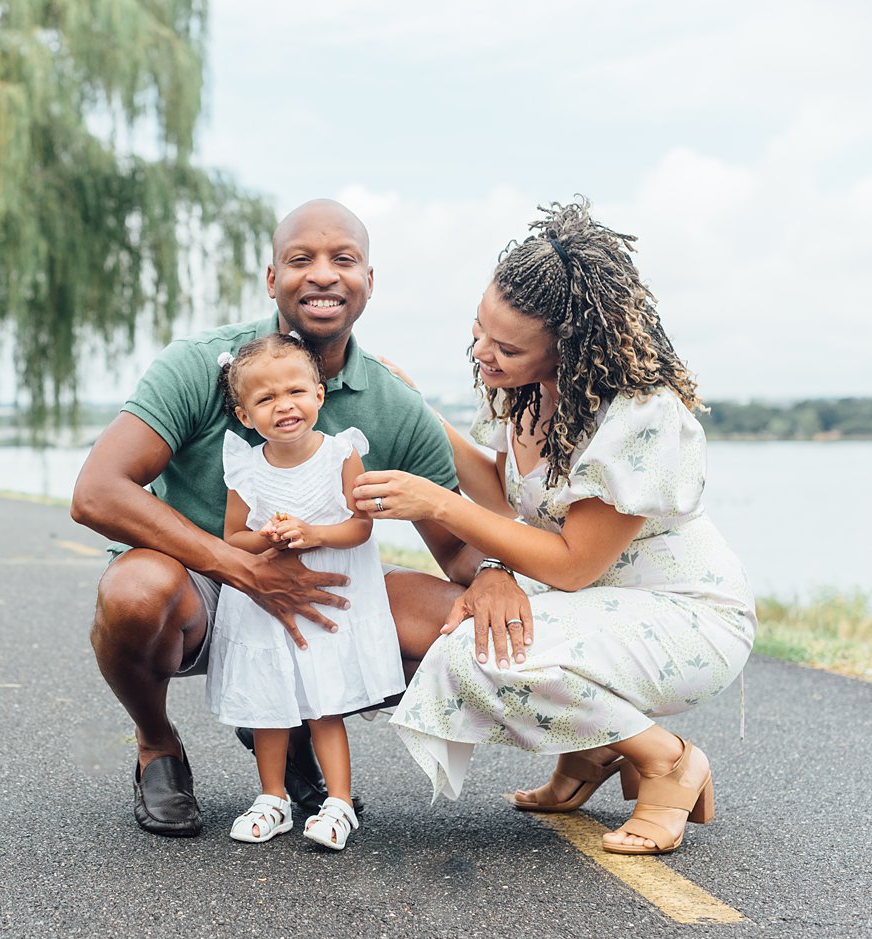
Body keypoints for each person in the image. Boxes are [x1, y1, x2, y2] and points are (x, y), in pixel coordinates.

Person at [70, 199, 528, 838]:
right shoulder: (204, 364)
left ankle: (295, 719)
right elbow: (97, 492)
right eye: (300, 260)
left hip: (326, 594)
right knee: (133, 593)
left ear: (369, 280)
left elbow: (455, 549)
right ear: (271, 279)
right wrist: (242, 569)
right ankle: (158, 745)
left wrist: (494, 569)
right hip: (201, 587)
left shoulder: (392, 405)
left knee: (464, 629)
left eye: (344, 260)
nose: (322, 275)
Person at [354, 198, 755, 856]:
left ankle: (666, 761)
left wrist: (438, 504)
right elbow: (512, 491)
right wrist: (419, 413)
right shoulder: (531, 389)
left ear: (570, 346)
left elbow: (572, 563)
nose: (483, 353)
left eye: (507, 346)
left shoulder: (638, 416)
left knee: (476, 651)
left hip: (686, 614)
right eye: (479, 330)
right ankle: (592, 750)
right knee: (404, 606)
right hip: (598, 602)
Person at [208, 333, 402, 849]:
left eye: (295, 391)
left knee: (324, 705)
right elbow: (234, 538)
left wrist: (313, 534)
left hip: (322, 603)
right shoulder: (245, 466)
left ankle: (338, 801)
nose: (283, 406)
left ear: (319, 395)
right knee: (268, 706)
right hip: (266, 605)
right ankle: (273, 798)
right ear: (245, 415)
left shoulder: (342, 453)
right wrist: (267, 537)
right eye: (265, 399)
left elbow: (360, 528)